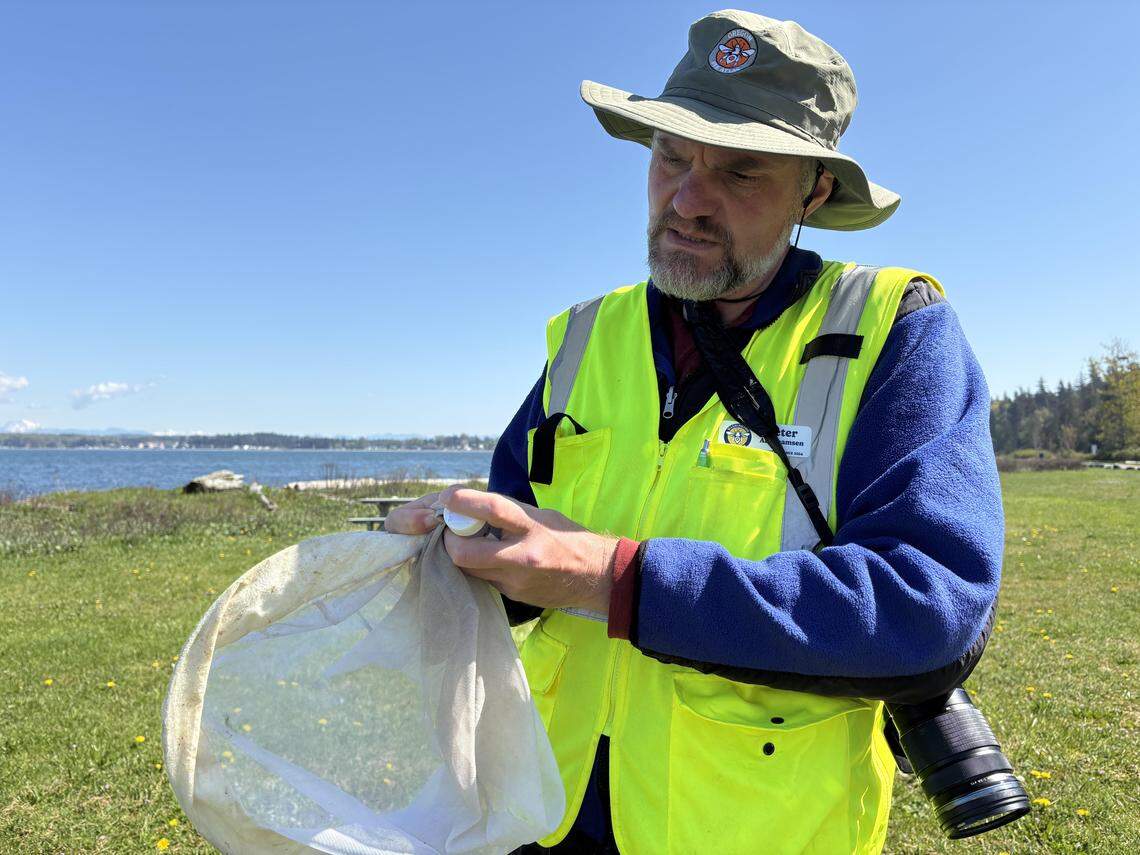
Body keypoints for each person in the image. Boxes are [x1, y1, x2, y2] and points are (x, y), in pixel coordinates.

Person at [387, 10, 1002, 854]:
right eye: (671, 155)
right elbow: (521, 546)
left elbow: (930, 606)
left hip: (753, 826)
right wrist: (457, 544)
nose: (686, 199)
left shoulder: (895, 330)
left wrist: (618, 577)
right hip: (541, 804)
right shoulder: (584, 337)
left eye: (740, 172)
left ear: (814, 193)